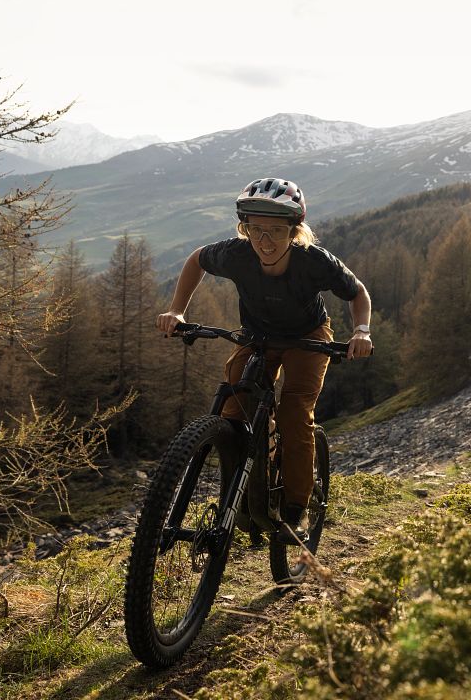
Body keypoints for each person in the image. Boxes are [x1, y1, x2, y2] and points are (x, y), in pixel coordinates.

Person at [156, 177, 372, 540]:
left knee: (293, 411)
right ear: (245, 228)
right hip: (257, 335)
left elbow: (358, 293)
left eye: (276, 230)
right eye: (256, 230)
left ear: (294, 231)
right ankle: (240, 500)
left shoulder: (314, 262)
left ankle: (295, 510)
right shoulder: (236, 254)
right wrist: (177, 310)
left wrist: (362, 331)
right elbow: (196, 260)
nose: (265, 241)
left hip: (308, 337)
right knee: (233, 408)